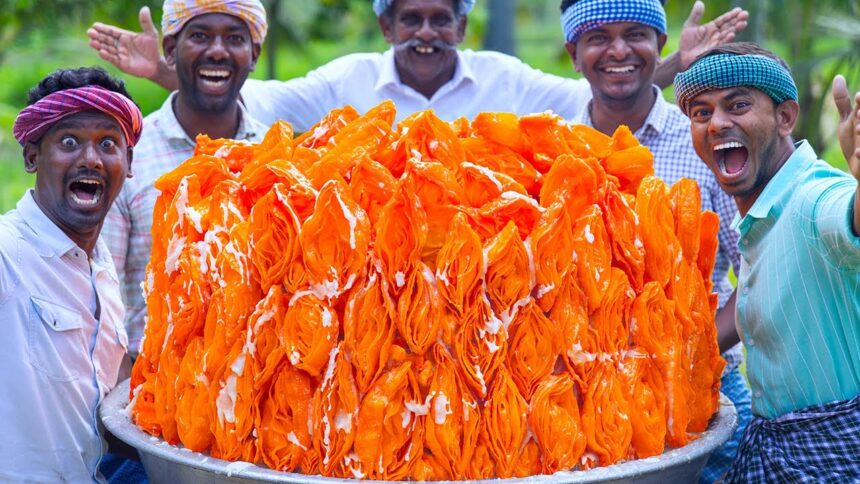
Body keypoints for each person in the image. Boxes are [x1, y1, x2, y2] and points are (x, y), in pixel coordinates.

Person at [558, 1, 749, 480]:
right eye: (598, 37)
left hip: (705, 391)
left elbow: (759, 273)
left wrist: (687, 351)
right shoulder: (552, 149)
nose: (618, 50)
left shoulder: (707, 139)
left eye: (636, 34)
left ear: (659, 45)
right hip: (583, 401)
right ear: (572, 53)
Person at [87, 0, 748, 131]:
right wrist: (172, 73)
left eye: (441, 19)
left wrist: (668, 67)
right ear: (387, 26)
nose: (427, 33)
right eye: (412, 19)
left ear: (462, 25)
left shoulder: (507, 81)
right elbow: (247, 105)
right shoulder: (343, 82)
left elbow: (601, 98)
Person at [674, 42, 860, 482]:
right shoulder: (761, 217)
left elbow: (844, 214)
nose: (717, 123)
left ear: (785, 117)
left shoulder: (812, 198)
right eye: (700, 113)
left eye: (737, 105)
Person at [101, 0, 269, 356]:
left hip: (258, 392)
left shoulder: (279, 157)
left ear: (254, 55)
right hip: (145, 389)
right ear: (170, 51)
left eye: (235, 39)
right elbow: (101, 294)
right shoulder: (126, 156)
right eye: (200, 36)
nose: (218, 51)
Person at [0, 66, 142, 482]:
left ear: (128, 163)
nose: (91, 158)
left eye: (108, 143)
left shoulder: (101, 269)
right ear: (32, 155)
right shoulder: (9, 254)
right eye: (69, 141)